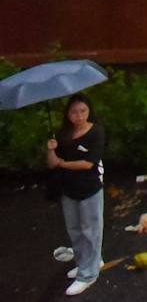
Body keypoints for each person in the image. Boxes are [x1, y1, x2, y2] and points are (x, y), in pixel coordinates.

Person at [47, 96, 103, 296]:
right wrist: (51, 150)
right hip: (68, 189)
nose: (78, 116)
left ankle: (89, 274)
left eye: (83, 111)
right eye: (74, 112)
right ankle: (84, 263)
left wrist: (63, 164)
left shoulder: (96, 132)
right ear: (67, 114)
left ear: (89, 112)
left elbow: (88, 163)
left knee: (91, 229)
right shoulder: (64, 134)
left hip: (89, 188)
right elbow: (53, 163)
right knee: (75, 230)